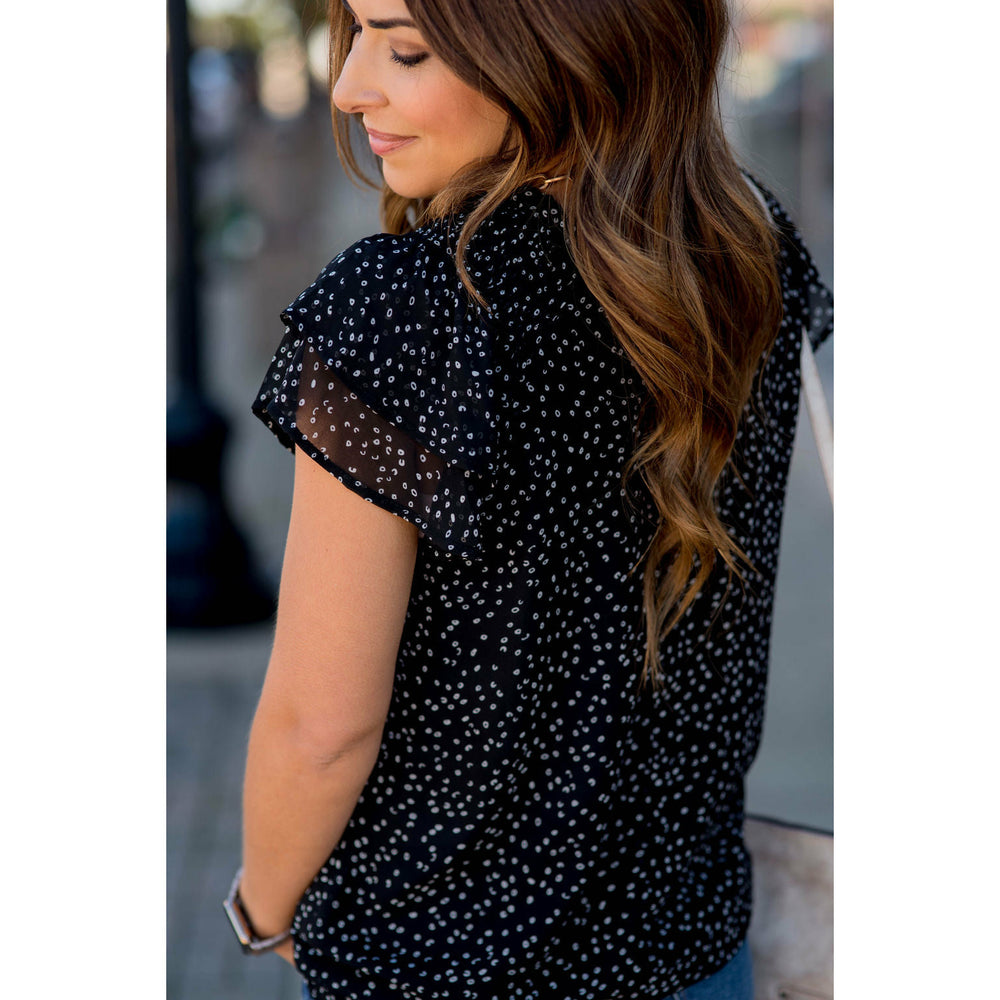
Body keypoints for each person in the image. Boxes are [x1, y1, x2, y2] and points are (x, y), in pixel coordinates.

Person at [228, 0, 833, 997]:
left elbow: (320, 728)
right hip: (691, 949)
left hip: (446, 965)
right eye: (357, 35)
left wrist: (260, 910)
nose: (348, 87)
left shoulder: (410, 311)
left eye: (404, 48)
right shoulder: (746, 248)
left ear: (559, 45)